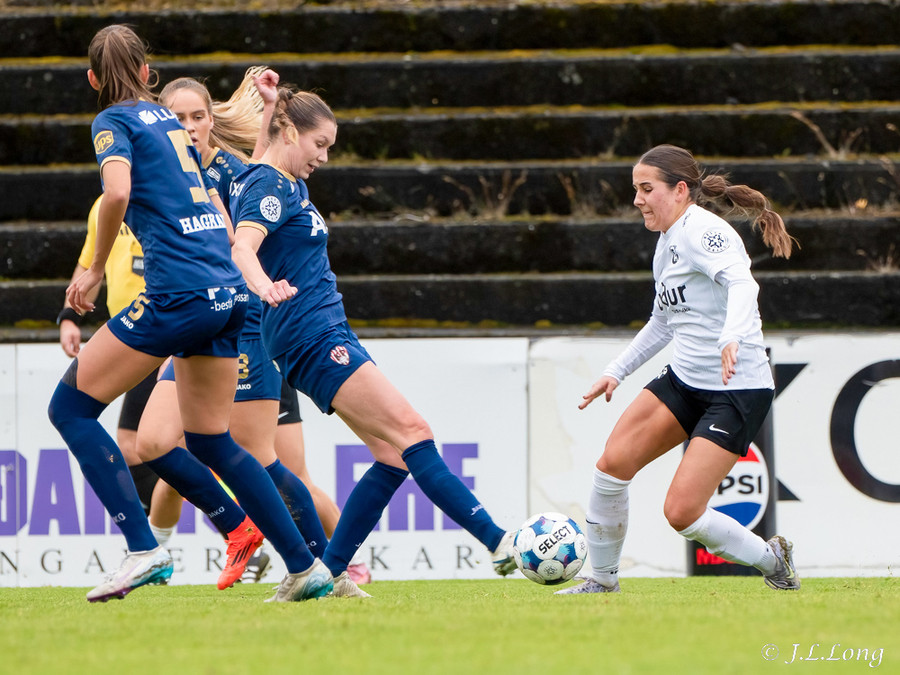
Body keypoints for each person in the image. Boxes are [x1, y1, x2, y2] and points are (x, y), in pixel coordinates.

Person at [47, 25, 329, 603]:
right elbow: (226, 197)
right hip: (227, 295)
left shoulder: (113, 122)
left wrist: (94, 269)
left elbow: (116, 193)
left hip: (177, 295)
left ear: (93, 79)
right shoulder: (169, 124)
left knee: (69, 409)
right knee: (210, 440)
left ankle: (143, 548)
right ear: (147, 73)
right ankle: (305, 567)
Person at [230, 85, 517, 596]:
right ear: (291, 133)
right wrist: (263, 285)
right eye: (320, 144)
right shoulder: (271, 185)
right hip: (311, 333)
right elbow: (242, 247)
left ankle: (328, 573)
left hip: (320, 330)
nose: (324, 157)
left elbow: (260, 165)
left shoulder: (270, 176)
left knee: (391, 454)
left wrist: (271, 107)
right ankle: (498, 542)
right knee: (413, 431)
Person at [134, 69, 353, 594]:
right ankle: (233, 530)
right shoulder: (165, 173)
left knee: (261, 456)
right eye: (178, 118)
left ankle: (328, 567)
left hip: (242, 320)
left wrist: (255, 278)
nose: (189, 127)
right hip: (194, 321)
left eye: (198, 116)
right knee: (153, 441)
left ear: (212, 121)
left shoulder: (231, 169)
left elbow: (252, 208)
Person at [556, 144, 800, 595]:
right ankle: (602, 581)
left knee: (682, 513)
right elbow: (663, 322)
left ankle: (772, 559)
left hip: (736, 389)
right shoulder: (666, 241)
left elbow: (743, 284)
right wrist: (616, 371)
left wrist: (731, 336)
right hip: (685, 381)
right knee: (611, 467)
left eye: (646, 189)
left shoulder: (703, 231)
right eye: (636, 189)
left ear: (680, 190)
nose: (637, 200)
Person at [57, 195, 184, 546]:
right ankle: (153, 542)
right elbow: (89, 265)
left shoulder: (164, 192)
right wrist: (69, 316)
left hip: (162, 331)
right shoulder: (104, 205)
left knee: (175, 448)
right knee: (135, 446)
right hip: (134, 337)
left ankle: (154, 544)